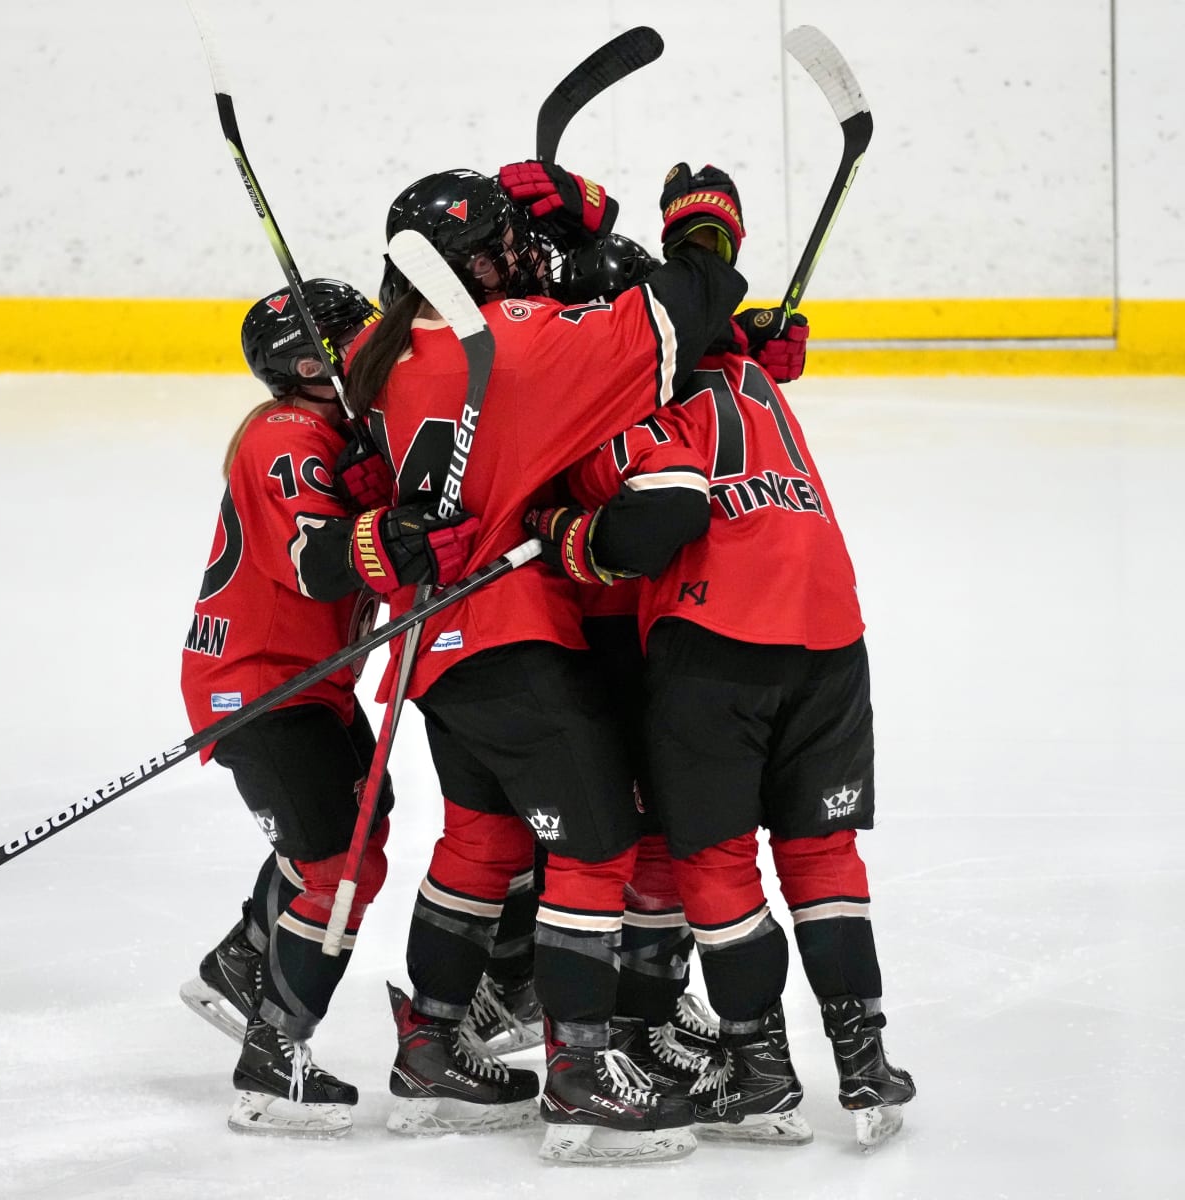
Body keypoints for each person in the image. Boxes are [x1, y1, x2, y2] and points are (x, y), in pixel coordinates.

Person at [343, 160, 748, 1162]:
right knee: (601, 841)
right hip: (513, 636)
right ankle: (580, 1074)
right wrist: (698, 233)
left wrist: (573, 255)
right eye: (506, 242)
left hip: (435, 651)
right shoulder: (514, 345)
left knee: (481, 845)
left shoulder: (374, 355)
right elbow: (671, 320)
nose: (527, 253)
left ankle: (430, 1049)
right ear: (470, 263)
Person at [528, 231, 917, 1151]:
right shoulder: (754, 376)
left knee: (716, 861)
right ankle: (864, 1061)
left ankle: (758, 1068)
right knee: (821, 855)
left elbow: (654, 525)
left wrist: (554, 523)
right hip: (832, 633)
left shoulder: (632, 407)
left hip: (715, 645)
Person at [178, 278, 476, 1137]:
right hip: (261, 685)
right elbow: (318, 562)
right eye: (356, 339)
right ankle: (272, 1064)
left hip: (309, 681)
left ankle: (240, 964)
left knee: (360, 825)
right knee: (341, 869)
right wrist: (400, 528)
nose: (376, 347)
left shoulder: (332, 430)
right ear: (310, 362)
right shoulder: (286, 436)